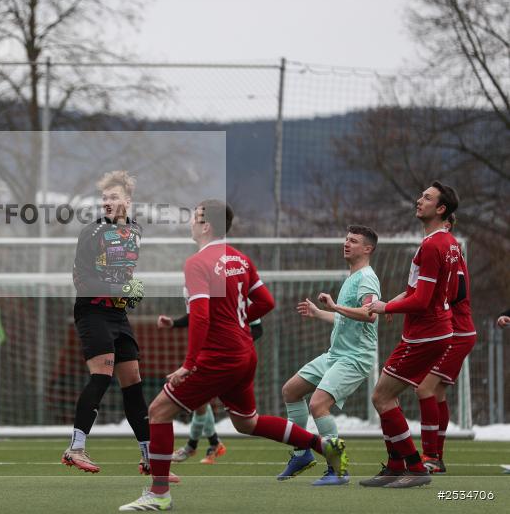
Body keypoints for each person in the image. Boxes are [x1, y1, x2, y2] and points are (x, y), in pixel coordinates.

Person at [119, 200, 346, 511]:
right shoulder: (239, 258)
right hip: (244, 351)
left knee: (158, 411)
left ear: (206, 225)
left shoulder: (197, 263)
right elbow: (266, 302)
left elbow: (201, 317)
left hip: (219, 356)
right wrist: (238, 322)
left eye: (194, 217)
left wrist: (189, 364)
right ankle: (323, 445)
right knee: (247, 423)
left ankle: (159, 494)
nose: (190, 222)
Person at [62, 171, 166, 481]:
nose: (107, 202)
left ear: (127, 201)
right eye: (104, 197)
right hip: (92, 311)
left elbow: (120, 274)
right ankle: (75, 448)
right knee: (102, 375)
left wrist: (130, 290)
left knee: (133, 381)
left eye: (113, 197)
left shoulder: (136, 231)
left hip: (118, 315)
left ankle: (149, 458)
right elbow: (81, 280)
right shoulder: (91, 233)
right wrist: (119, 290)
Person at [363, 181, 461, 489]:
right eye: (421, 195)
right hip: (434, 329)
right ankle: (394, 466)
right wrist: (397, 301)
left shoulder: (432, 245)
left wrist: (386, 305)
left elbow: (421, 300)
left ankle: (416, 468)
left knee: (381, 396)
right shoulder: (449, 243)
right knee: (385, 394)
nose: (419, 200)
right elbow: (442, 291)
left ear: (441, 209)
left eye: (427, 198)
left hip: (426, 333)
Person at [278, 225, 381, 486]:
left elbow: (370, 314)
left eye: (354, 241)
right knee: (291, 391)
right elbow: (344, 318)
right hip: (335, 354)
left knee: (318, 405)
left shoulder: (367, 278)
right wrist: (320, 313)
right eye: (346, 239)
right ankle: (301, 455)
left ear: (367, 249)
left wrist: (335, 305)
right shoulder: (352, 276)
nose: (347, 244)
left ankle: (339, 469)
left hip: (355, 358)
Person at [157, 315, 264, 465]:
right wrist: (173, 323)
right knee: (201, 403)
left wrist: (236, 346)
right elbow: (198, 315)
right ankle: (209, 444)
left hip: (230, 358)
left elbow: (258, 328)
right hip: (209, 354)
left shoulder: (243, 297)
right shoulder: (212, 294)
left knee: (243, 421)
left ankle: (195, 446)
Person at [417, 213, 476, 474]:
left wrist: (432, 305)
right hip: (457, 332)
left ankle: (430, 456)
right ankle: (436, 457)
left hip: (457, 332)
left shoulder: (451, 253)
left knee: (424, 389)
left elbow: (457, 291)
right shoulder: (449, 253)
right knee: (436, 392)